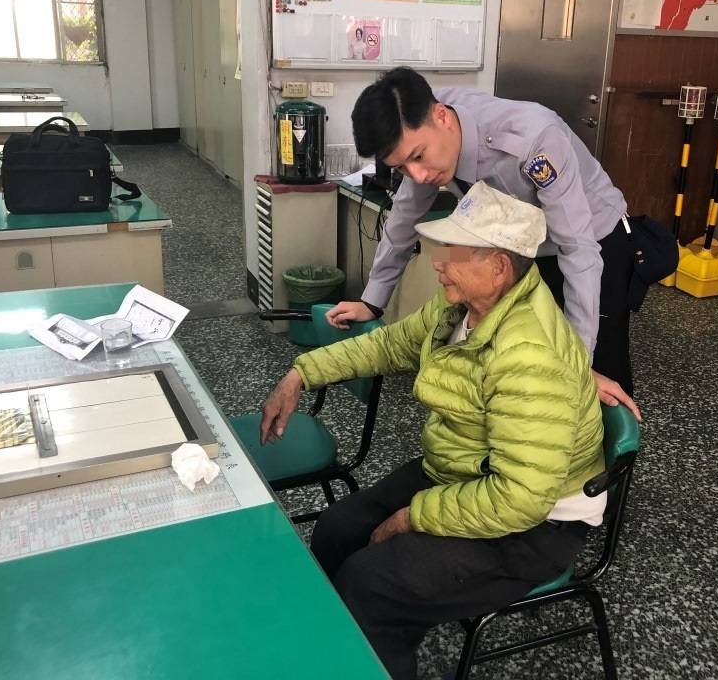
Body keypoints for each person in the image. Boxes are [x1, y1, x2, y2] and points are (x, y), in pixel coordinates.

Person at [260, 183, 609, 680]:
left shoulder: (529, 355)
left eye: (454, 252)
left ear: (499, 266)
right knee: (338, 529)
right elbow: (389, 346)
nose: (438, 263)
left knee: (371, 585)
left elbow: (521, 498)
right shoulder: (462, 310)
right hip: (466, 472)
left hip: (535, 525)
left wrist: (413, 517)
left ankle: (373, 645)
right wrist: (302, 373)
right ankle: (340, 654)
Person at [327, 66, 641, 416]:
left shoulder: (533, 140)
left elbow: (577, 250)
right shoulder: (425, 134)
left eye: (417, 157)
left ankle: (612, 444)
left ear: (442, 116)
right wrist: (372, 301)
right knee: (521, 355)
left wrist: (577, 363)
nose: (417, 175)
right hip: (521, 244)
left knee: (596, 372)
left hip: (594, 239)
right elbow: (403, 217)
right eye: (401, 168)